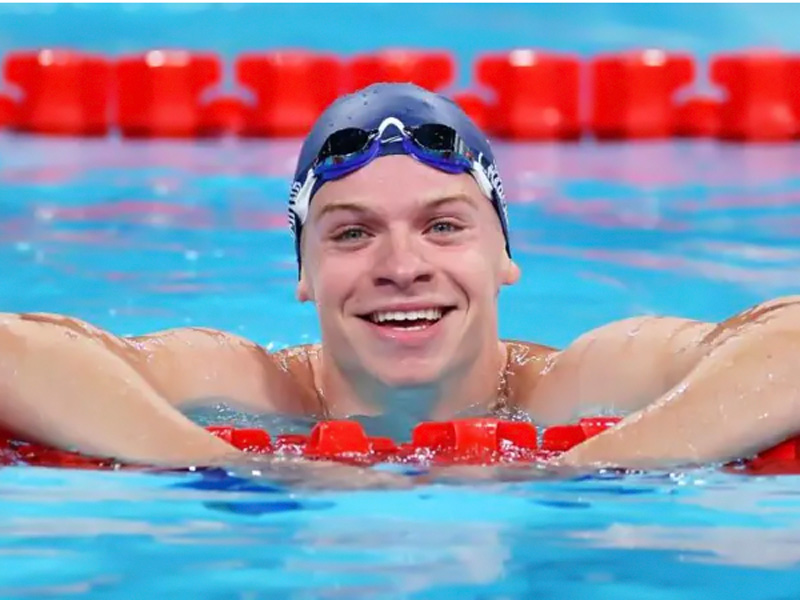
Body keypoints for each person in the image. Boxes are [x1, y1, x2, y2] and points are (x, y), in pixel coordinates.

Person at [0, 82, 798, 473]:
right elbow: (18, 351)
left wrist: (580, 468)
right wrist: (250, 469)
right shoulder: (253, 385)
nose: (402, 268)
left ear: (504, 257)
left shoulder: (571, 381)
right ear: (304, 273)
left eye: (444, 226)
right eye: (352, 234)